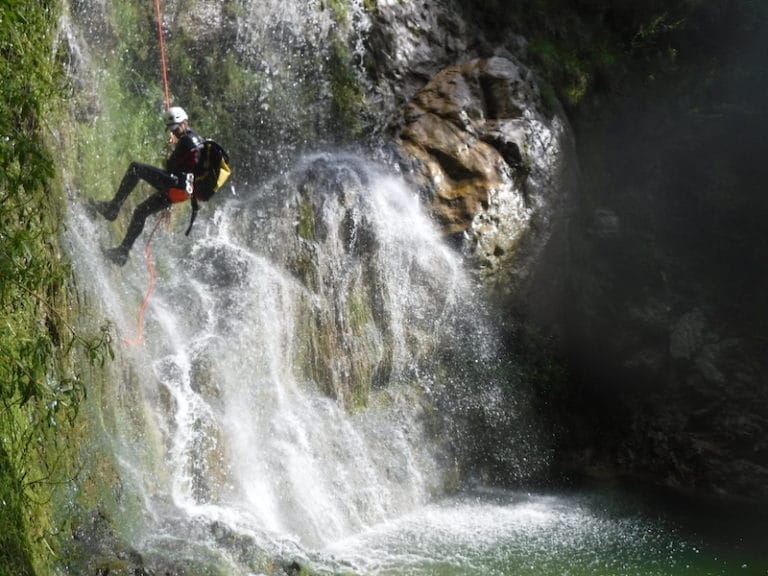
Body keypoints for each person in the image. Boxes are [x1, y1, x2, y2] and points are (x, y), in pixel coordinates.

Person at [89, 106, 203, 266]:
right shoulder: (198, 140)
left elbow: (169, 167)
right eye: (172, 130)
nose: (175, 132)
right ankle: (123, 252)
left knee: (135, 168)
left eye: (176, 128)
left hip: (176, 184)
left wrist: (170, 150)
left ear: (185, 122)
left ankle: (113, 207)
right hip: (183, 192)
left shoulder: (185, 140)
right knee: (141, 211)